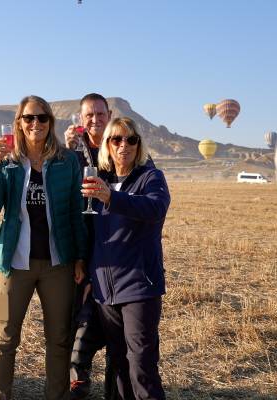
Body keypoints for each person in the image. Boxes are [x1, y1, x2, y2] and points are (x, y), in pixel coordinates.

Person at [0, 95, 87, 400]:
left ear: (50, 122)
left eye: (42, 118)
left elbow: (76, 211)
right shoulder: (8, 162)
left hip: (58, 265)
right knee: (3, 338)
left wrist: (79, 258)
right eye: (29, 118)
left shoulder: (66, 161)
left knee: (59, 338)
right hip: (10, 266)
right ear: (19, 123)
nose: (35, 124)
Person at [81, 117, 170, 400]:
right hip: (106, 289)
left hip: (139, 285)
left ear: (139, 145)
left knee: (141, 363)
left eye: (131, 139)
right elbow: (92, 231)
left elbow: (155, 208)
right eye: (116, 139)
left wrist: (112, 199)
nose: (124, 145)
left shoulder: (150, 177)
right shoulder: (100, 180)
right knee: (118, 362)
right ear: (107, 145)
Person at [63, 93, 115, 400]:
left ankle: (114, 386)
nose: (94, 120)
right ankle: (77, 379)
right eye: (88, 115)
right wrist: (67, 150)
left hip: (113, 245)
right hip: (82, 242)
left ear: (109, 114)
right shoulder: (75, 153)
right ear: (81, 120)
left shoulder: (122, 145)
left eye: (99, 114)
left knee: (113, 320)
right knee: (80, 314)